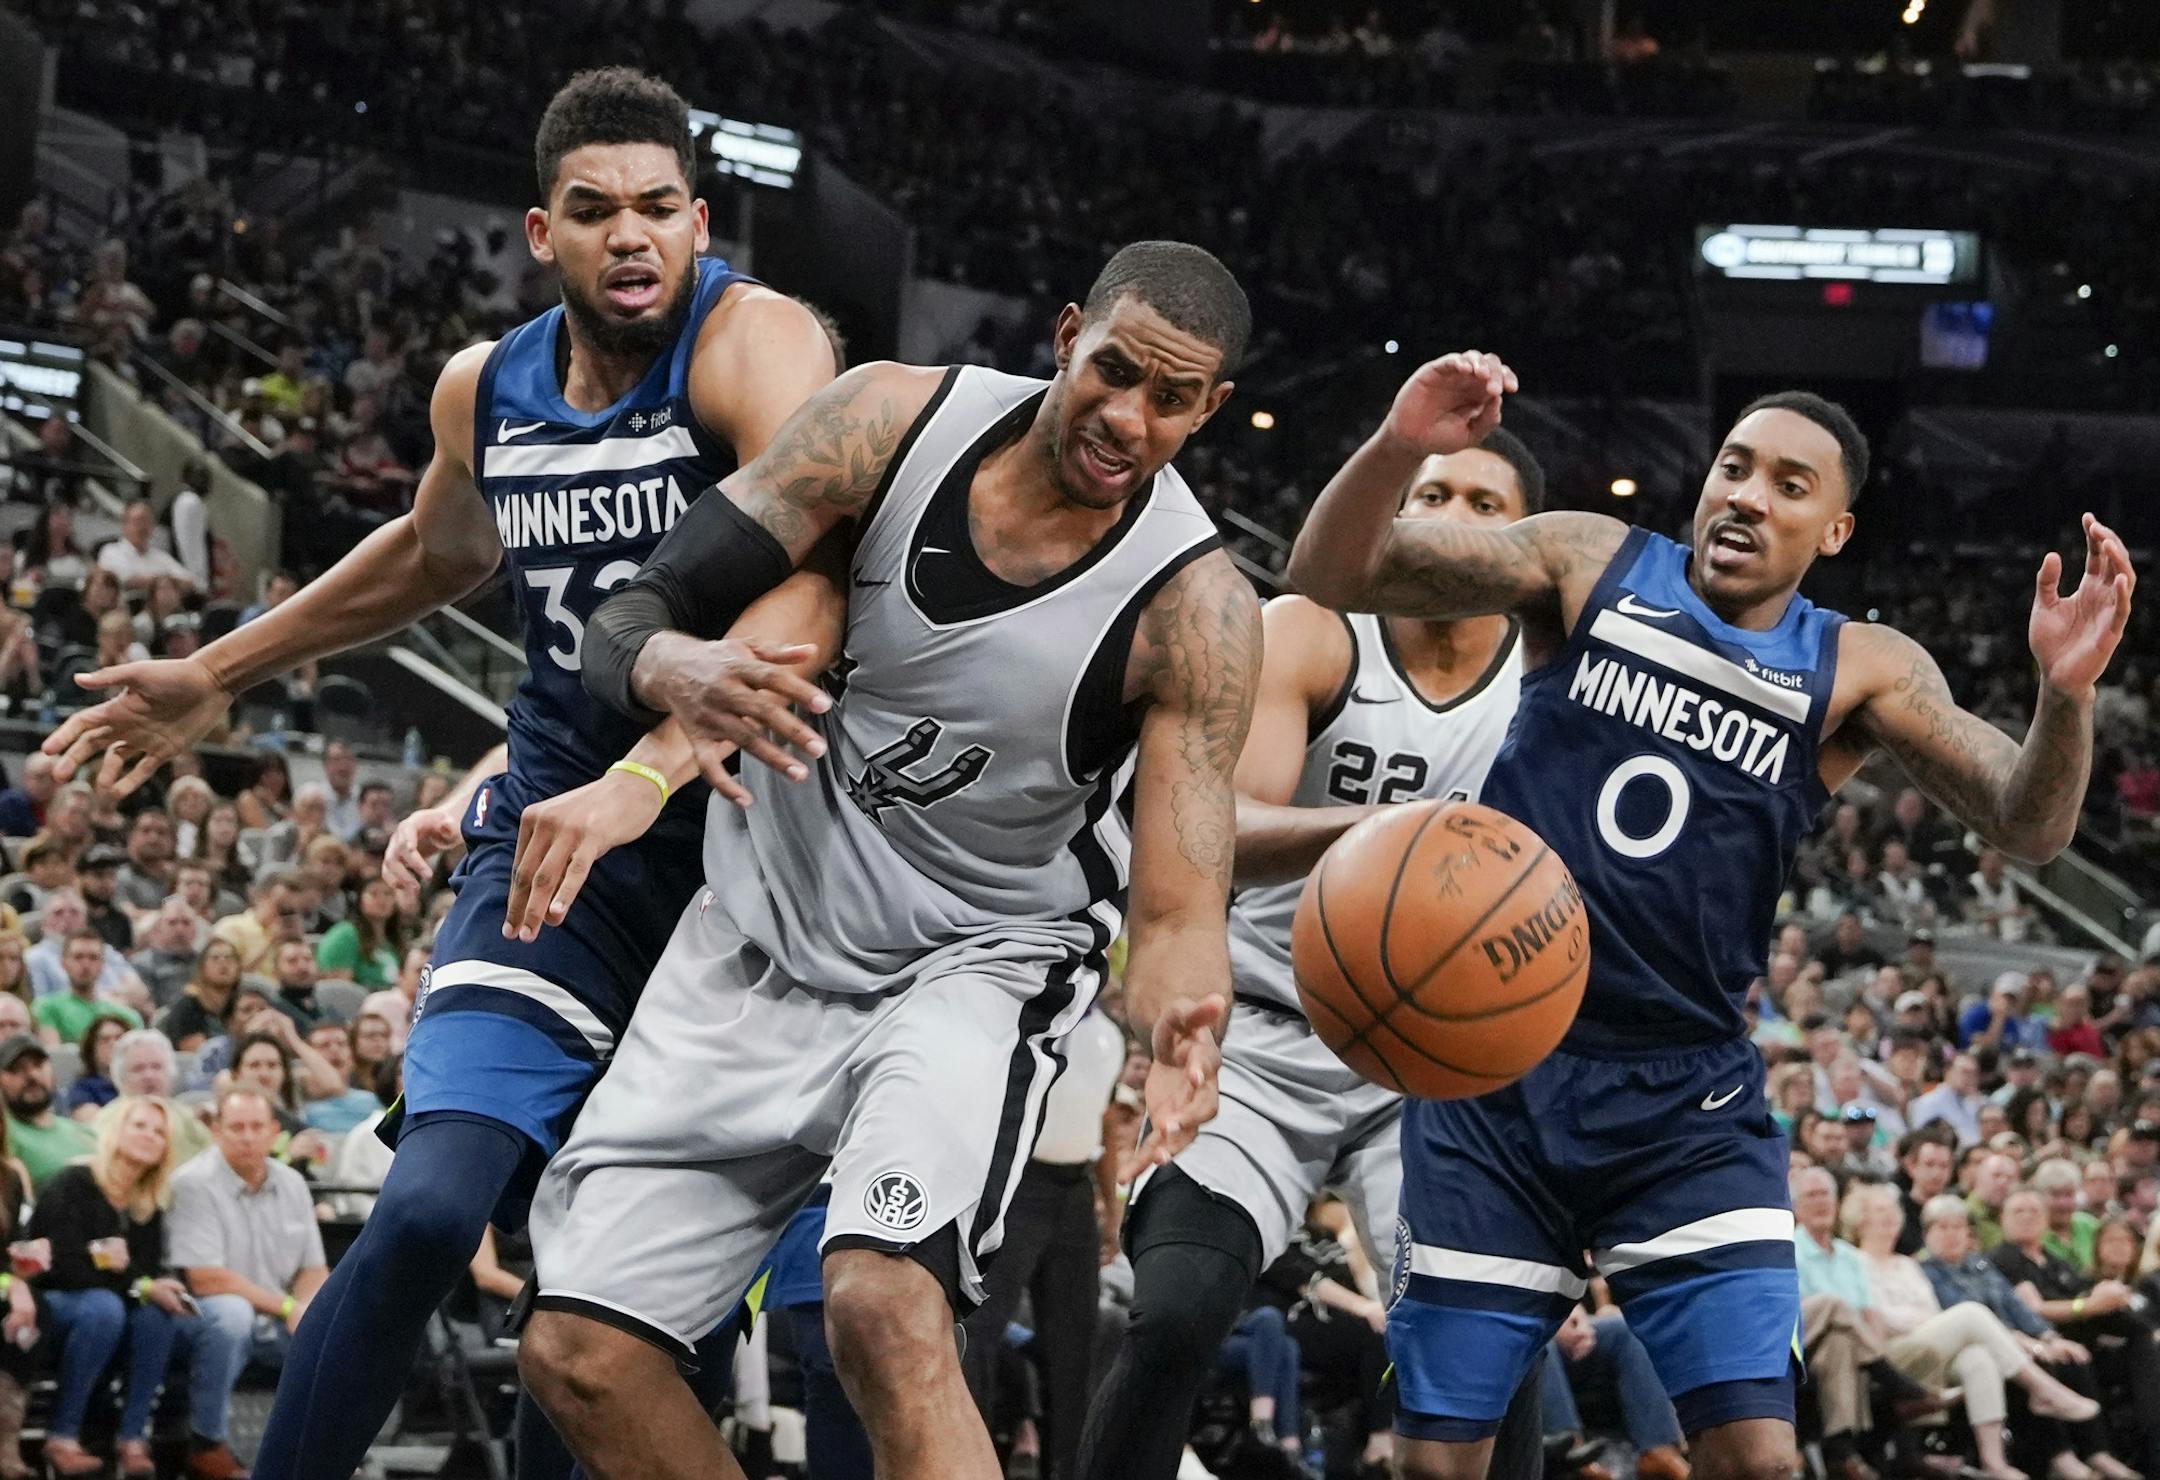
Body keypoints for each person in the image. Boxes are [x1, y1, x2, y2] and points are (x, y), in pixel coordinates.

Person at [42, 67, 845, 1479]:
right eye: (595, 212)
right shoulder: (489, 385)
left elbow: (818, 582)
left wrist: (647, 777)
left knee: (606, 1332)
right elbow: (435, 553)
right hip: (551, 858)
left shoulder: (754, 344)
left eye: (660, 207)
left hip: (739, 876)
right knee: (424, 1211)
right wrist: (218, 671)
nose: (633, 236)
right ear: (543, 234)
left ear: (700, 219)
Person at [1285, 349, 2134, 1480]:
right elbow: (1331, 569)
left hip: (1683, 1102)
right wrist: (1400, 445)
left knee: (1757, 1459)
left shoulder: (1858, 666)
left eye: (1790, 483)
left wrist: (2063, 698)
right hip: (1497, 1081)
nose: (1747, 493)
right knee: (1438, 1465)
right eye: (1735, 466)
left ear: (1833, 530)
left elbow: (2030, 824)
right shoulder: (1589, 559)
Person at [509, 237, 1256, 1480]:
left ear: (1209, 408)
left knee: (880, 1303)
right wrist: (674, 671)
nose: (1129, 416)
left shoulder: (1197, 609)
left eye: (1172, 399)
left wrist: (1187, 1026)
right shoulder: (884, 424)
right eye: (1115, 370)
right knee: (578, 1352)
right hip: (761, 935)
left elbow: (1179, 906)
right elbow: (637, 611)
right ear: (1068, 334)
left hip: (974, 963)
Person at [1080, 430, 1549, 1480]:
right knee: (1173, 1314)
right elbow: (1223, 824)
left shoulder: (1546, 679)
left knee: (1490, 1346)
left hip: (1439, 1066)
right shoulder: (1315, 631)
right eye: (1431, 491)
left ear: (1526, 540)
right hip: (1261, 1025)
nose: (1450, 516)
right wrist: (1385, 832)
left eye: (1484, 500)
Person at [1852, 1187, 2097, 1480]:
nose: (1890, 1219)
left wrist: (2045, 1336)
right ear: (1859, 1221)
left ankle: (1994, 1462)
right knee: (1972, 1312)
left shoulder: (1906, 1265)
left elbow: (1932, 1312)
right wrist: (1919, 1320)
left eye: (1893, 1214)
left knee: (1978, 1357)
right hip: (1887, 1350)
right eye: (1881, 1214)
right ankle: (2042, 1389)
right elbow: (1880, 1317)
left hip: (1930, 1340)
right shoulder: (1856, 1262)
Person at [169, 1088, 329, 1480]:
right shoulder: (191, 1183)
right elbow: (205, 1278)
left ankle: (327, 1450)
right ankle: (207, 1443)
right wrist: (289, 1308)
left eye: (257, 1126)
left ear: (275, 1132)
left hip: (277, 1316)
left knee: (335, 1328)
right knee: (232, 1315)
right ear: (217, 1131)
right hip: (202, 1314)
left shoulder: (292, 1183)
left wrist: (307, 1310)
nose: (247, 1136)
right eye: (236, 1127)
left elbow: (312, 1270)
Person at [29, 1096, 191, 1477]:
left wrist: (147, 1284)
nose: (149, 1136)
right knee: (104, 1307)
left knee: (158, 1315)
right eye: (139, 1125)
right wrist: (131, 1278)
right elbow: (57, 1266)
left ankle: (132, 1438)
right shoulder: (74, 1181)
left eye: (159, 1132)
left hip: (108, 1305)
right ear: (116, 1130)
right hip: (53, 1302)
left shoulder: (147, 1205)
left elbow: (140, 1276)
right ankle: (62, 1436)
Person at [1919, 1196, 2115, 1480]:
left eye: (1957, 1227)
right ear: (1927, 1235)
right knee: (2033, 1362)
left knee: (2074, 1356)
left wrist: (2048, 1336)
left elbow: (2015, 1305)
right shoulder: (1928, 1273)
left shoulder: (1980, 1264)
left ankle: (2097, 1453)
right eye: (1942, 1228)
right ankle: (2060, 1459)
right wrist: (2024, 1341)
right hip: (1972, 1349)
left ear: (1969, 1233)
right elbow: (1966, 1317)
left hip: (2014, 1342)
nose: (1951, 1235)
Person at [1989, 1189, 2159, 1477]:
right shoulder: (2005, 1259)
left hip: (2083, 1339)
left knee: (2141, 1339)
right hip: (2040, 1345)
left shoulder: (2053, 1261)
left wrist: (2101, 1298)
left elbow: (2082, 1292)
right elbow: (2035, 1309)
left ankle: (2148, 1442)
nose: (2028, 1217)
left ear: (2046, 1220)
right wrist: (2087, 1305)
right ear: (2002, 1220)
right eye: (2019, 1211)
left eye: (2034, 1211)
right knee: (2084, 1353)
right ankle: (2102, 1453)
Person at [0, 1034, 92, 1189]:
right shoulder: (5, 1134)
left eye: (38, 1065)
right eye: (17, 1069)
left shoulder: (83, 1131)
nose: (32, 1075)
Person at [34, 931, 143, 1045]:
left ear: (102, 964)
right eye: (78, 957)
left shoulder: (127, 1016)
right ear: (63, 963)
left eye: (93, 957)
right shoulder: (46, 1007)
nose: (86, 964)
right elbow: (54, 1054)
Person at [313, 876, 403, 987]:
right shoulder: (345, 934)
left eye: (388, 894)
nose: (382, 900)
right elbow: (339, 988)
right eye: (373, 894)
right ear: (360, 900)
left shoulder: (394, 940)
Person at [157, 939, 244, 1052]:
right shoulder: (187, 1008)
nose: (223, 962)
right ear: (202, 967)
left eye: (229, 957)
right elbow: (198, 1056)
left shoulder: (242, 1004)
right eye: (215, 958)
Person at [96, 499, 197, 592]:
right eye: (138, 521)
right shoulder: (111, 551)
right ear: (124, 525)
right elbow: (130, 581)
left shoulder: (161, 556)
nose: (142, 527)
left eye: (147, 521)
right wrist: (167, 580)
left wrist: (157, 580)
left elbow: (189, 581)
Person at [59, 1014, 128, 1120]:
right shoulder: (82, 1088)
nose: (114, 1044)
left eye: (120, 1038)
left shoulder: (144, 1080)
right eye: (105, 1040)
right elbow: (94, 1126)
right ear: (92, 1049)